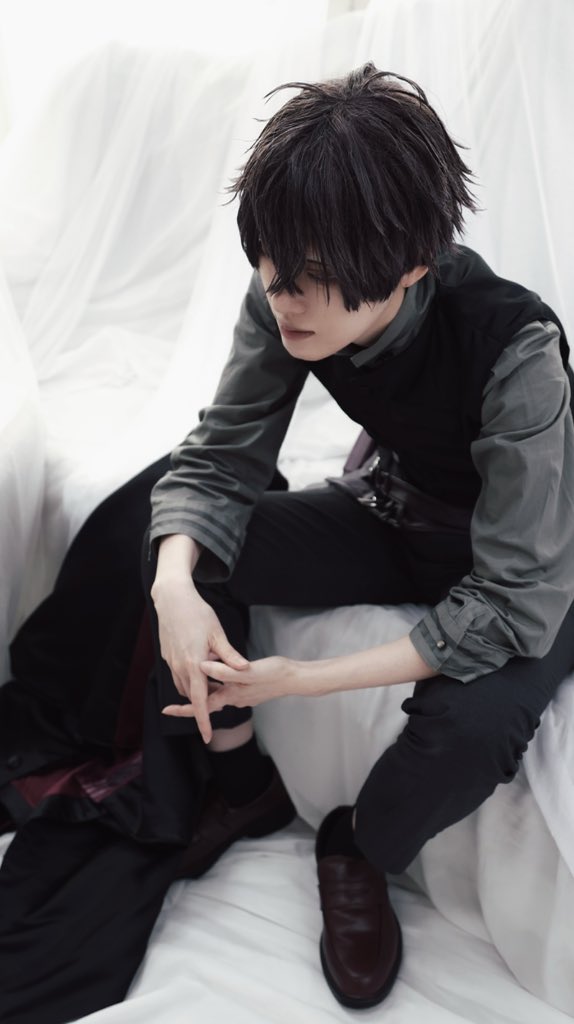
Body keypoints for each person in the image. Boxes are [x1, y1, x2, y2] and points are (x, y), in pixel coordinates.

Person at [145, 63, 574, 1010]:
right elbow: (220, 458)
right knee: (186, 535)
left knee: (474, 729)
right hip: (395, 512)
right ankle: (244, 783)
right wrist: (174, 583)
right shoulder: (284, 291)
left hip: (523, 563)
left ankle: (358, 847)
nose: (283, 298)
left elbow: (513, 601)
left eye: (313, 280)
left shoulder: (516, 351)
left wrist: (302, 678)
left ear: (411, 266)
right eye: (270, 266)